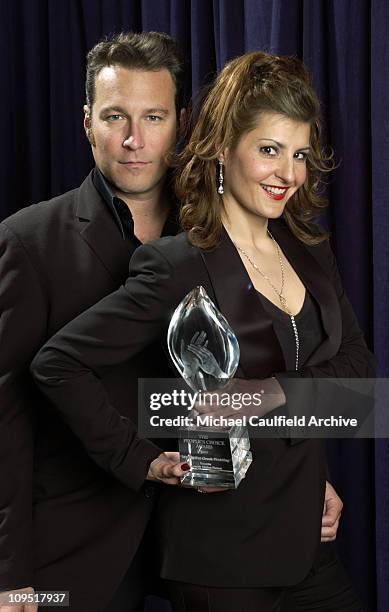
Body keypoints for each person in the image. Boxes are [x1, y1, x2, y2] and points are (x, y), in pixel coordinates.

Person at [30, 50, 373, 611]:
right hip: (220, 560)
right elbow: (56, 365)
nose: (287, 174)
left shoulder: (311, 253)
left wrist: (269, 393)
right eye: (269, 150)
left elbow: (361, 386)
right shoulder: (177, 265)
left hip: (308, 545)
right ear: (221, 148)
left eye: (300, 154)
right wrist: (140, 459)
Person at [0, 31, 190, 612]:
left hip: (200, 538)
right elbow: (5, 420)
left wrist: (311, 483)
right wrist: (9, 577)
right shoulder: (27, 240)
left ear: (180, 122)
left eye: (153, 116)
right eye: (115, 117)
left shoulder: (216, 233)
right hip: (71, 557)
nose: (134, 140)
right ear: (87, 122)